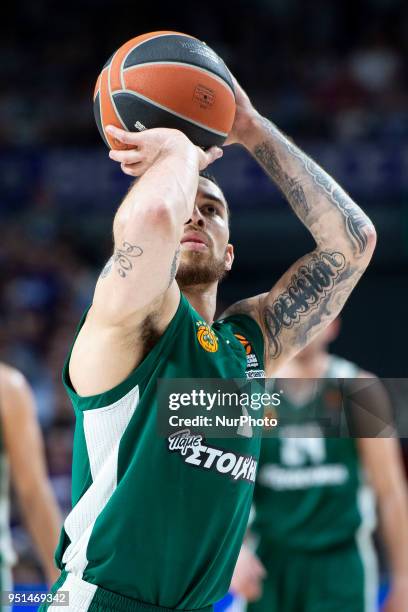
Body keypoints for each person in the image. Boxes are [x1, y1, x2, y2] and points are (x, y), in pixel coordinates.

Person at [42, 73, 376, 612]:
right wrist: (179, 149)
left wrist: (251, 127)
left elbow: (354, 241)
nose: (194, 213)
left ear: (229, 255)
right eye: (185, 204)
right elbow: (152, 216)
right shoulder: (124, 321)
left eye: (213, 209)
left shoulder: (247, 344)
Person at [230, 321, 408, 612]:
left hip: (340, 562)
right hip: (269, 560)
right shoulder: (250, 393)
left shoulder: (359, 389)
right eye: (293, 316)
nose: (302, 325)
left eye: (315, 317)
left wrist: (403, 579)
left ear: (333, 325)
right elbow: (222, 487)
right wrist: (232, 554)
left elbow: (390, 492)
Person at [0, 362, 61, 608]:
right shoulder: (7, 388)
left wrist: (59, 578)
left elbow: (33, 492)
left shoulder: (7, 389)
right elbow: (33, 492)